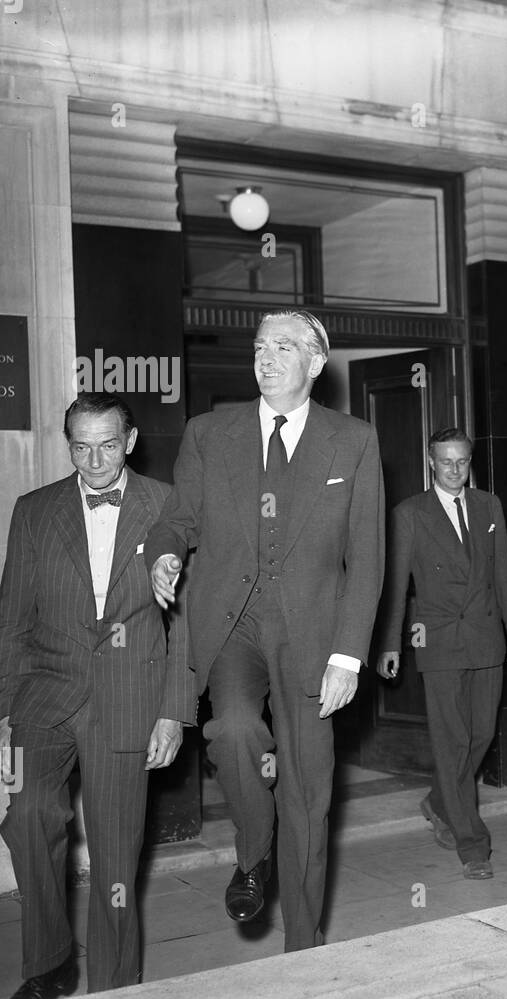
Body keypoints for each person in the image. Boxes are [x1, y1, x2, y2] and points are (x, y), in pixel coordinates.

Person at [146, 309, 384, 950]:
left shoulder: (354, 441)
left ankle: (304, 947)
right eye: (259, 346)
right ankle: (254, 851)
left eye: (284, 346)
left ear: (315, 361)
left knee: (308, 791)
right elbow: (177, 518)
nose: (267, 356)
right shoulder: (208, 433)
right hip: (234, 624)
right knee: (231, 729)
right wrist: (163, 553)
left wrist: (348, 656)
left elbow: (367, 558)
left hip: (315, 633)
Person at [0, 395, 195, 999]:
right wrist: (3, 714)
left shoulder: (168, 505)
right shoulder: (34, 511)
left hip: (131, 698)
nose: (95, 459)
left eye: (108, 444)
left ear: (129, 441)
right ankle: (50, 963)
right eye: (81, 446)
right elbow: (10, 620)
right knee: (28, 818)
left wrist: (174, 710)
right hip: (44, 696)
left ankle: (113, 987)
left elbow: (184, 621)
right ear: (68, 444)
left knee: (115, 850)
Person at [375, 428, 507, 880]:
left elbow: (504, 573)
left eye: (462, 461)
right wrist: (390, 644)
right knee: (453, 741)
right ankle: (472, 844)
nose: (455, 470)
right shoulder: (410, 514)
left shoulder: (488, 506)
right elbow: (397, 585)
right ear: (431, 461)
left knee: (481, 734)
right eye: (446, 462)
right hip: (436, 639)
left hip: (486, 636)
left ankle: (439, 801)